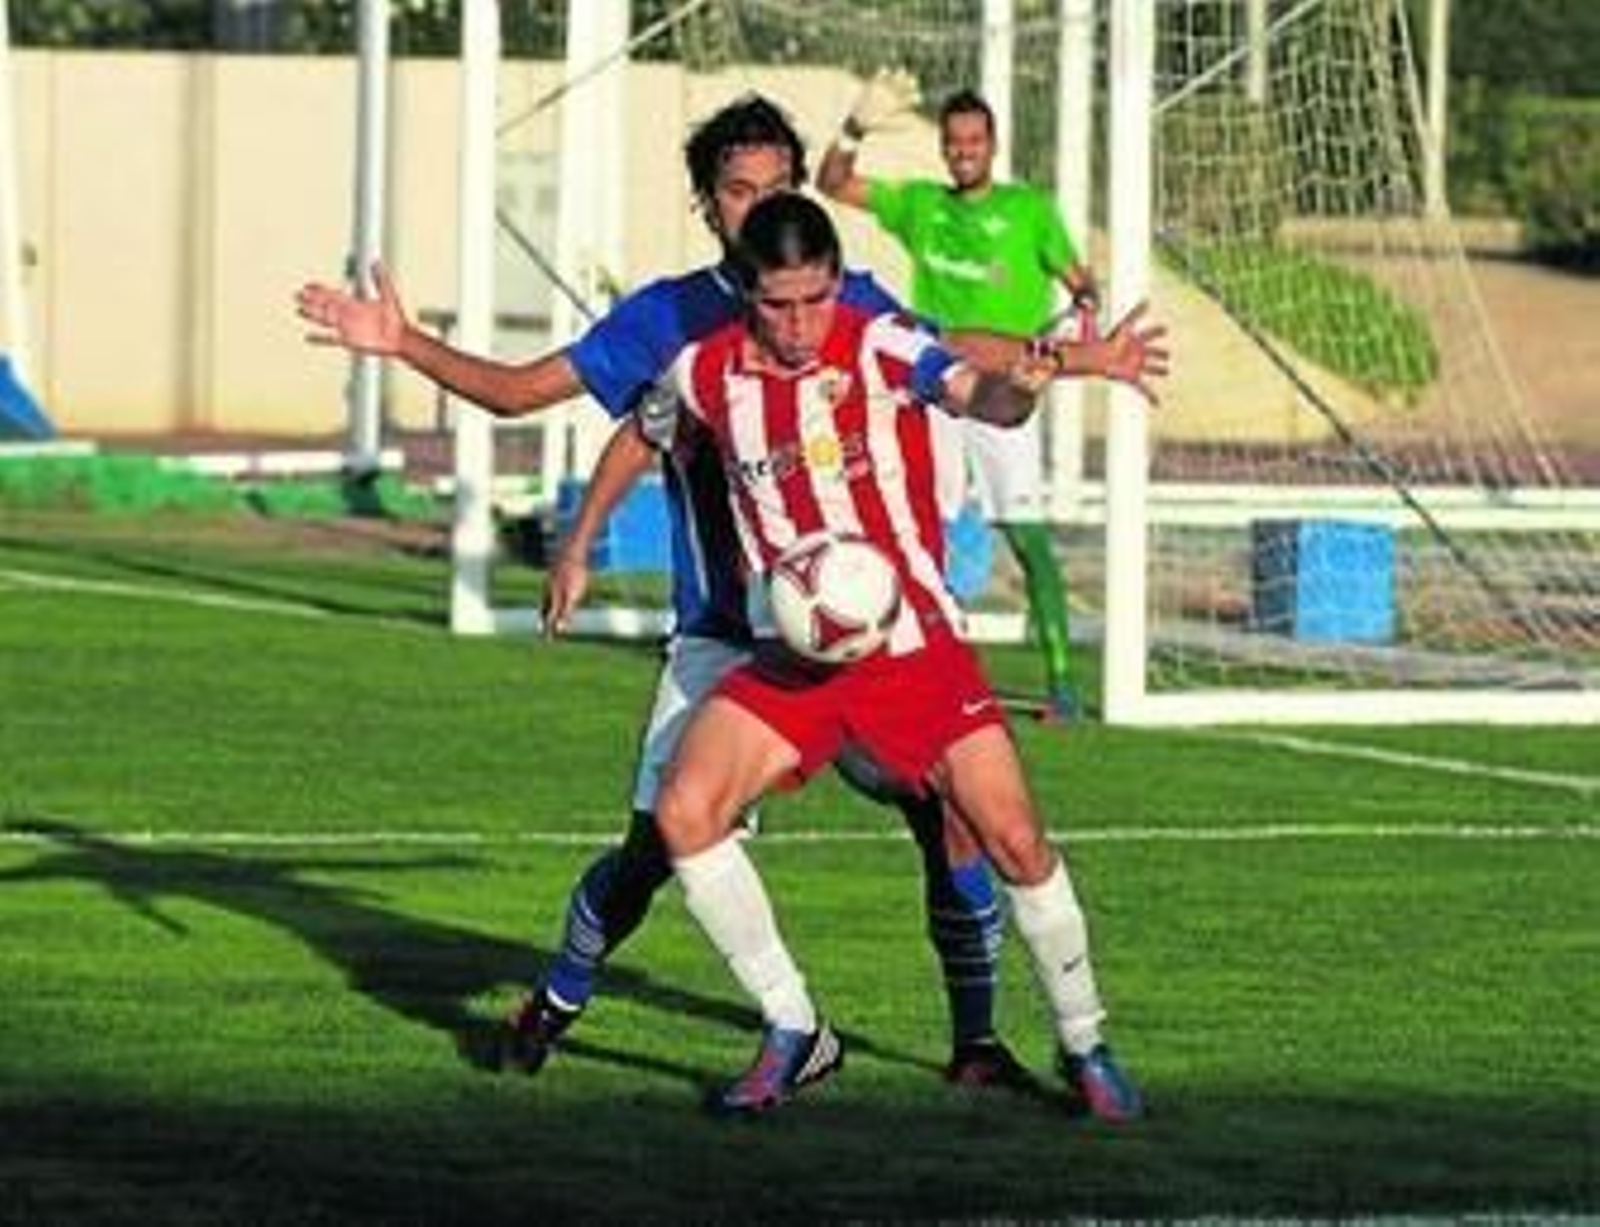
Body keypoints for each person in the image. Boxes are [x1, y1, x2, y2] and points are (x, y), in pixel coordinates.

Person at [296, 95, 1029, 1090]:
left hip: (855, 629)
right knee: (656, 848)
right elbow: (562, 404)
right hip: (727, 638)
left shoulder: (836, 295)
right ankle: (559, 995)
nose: (757, 206)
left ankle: (975, 1044)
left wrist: (1062, 357)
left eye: (777, 188)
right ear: (706, 204)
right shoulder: (671, 319)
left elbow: (947, 349)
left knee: (945, 807)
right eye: (737, 191)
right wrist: (409, 349)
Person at [644, 191, 1165, 1118]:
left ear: (838, 284)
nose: (801, 324)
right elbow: (641, 428)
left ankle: (1085, 1042)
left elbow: (981, 395)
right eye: (778, 305)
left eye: (815, 299)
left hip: (915, 651)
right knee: (686, 812)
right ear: (747, 293)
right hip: (793, 662)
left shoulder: (877, 343)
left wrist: (1033, 381)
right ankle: (795, 1027)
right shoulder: (705, 371)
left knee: (1015, 840)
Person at [818, 73, 1096, 720]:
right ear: (943, 148)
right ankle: (910, 666)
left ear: (992, 144)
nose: (964, 150)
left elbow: (1081, 281)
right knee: (915, 529)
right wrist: (856, 125)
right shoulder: (921, 205)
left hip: (1003, 396)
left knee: (1025, 536)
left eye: (975, 139)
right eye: (954, 141)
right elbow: (831, 183)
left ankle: (1062, 684)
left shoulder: (1030, 211)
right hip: (936, 391)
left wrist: (1083, 308)